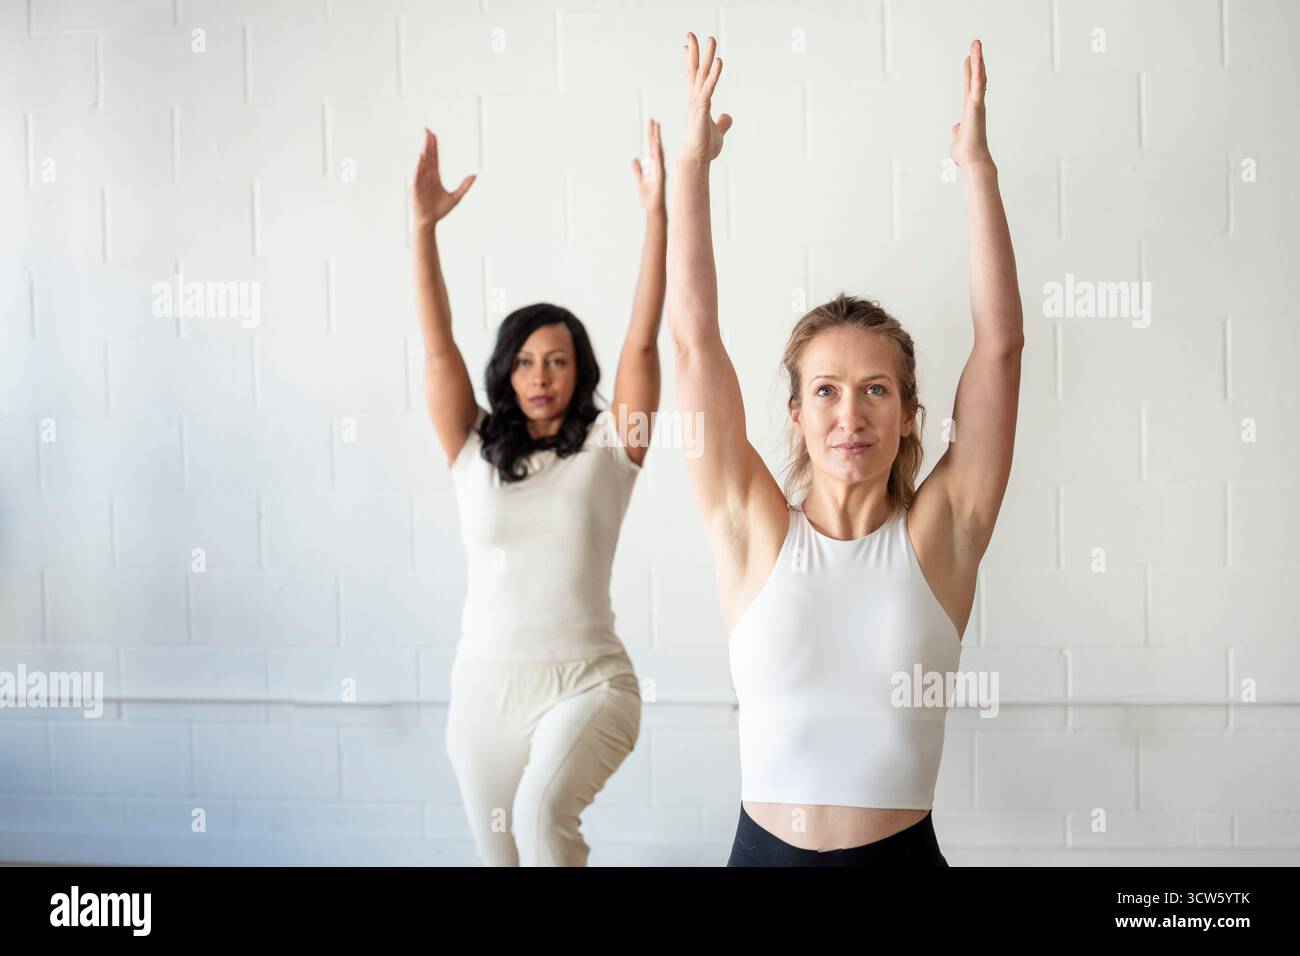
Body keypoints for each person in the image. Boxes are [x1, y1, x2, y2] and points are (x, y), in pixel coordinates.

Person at [666, 34, 1023, 867]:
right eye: (825, 389)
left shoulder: (944, 534)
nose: (849, 414)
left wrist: (977, 168)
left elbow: (999, 349)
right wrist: (692, 167)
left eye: (875, 389)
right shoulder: (751, 528)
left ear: (907, 416)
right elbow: (691, 345)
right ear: (793, 413)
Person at [412, 121, 668, 866]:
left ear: (579, 370)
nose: (541, 376)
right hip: (482, 689)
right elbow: (436, 346)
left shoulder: (613, 447)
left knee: (542, 823)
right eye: (525, 361)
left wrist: (656, 214)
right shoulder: (472, 450)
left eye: (558, 360)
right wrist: (423, 228)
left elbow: (644, 342)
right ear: (507, 371)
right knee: (501, 860)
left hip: (589, 682)